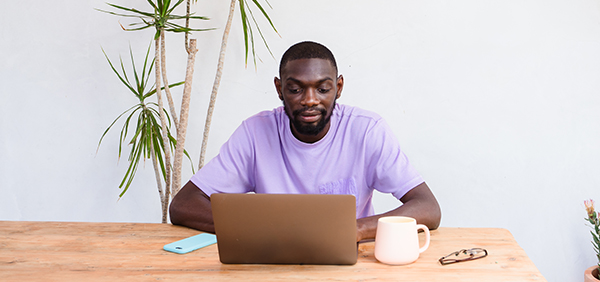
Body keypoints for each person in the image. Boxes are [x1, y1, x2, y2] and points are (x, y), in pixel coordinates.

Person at [170, 41, 441, 242]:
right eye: (296, 89)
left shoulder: (367, 131)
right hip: (273, 258)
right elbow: (184, 205)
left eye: (323, 89)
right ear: (279, 89)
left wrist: (356, 230)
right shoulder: (255, 132)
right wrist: (265, 229)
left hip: (347, 260)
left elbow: (427, 207)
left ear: (339, 88)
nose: (310, 100)